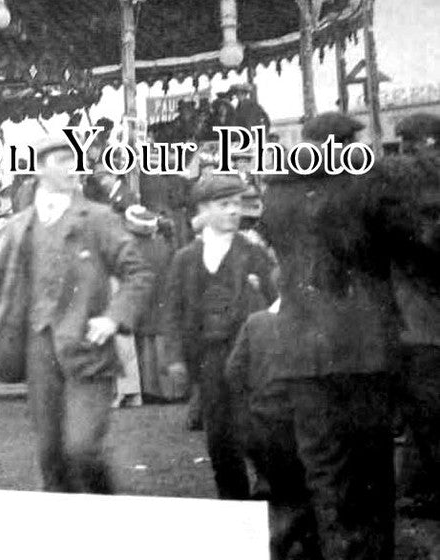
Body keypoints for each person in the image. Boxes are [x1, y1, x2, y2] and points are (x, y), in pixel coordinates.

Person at [0, 135, 153, 493]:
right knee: (51, 456)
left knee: (83, 449)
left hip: (88, 351)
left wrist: (114, 317)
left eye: (75, 159)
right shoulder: (19, 226)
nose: (73, 167)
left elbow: (139, 274)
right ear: (39, 169)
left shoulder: (98, 219)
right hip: (39, 356)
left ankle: (113, 513)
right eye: (62, 160)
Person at [260, 112, 399, 559]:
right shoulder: (365, 186)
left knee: (323, 466)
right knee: (372, 465)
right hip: (364, 348)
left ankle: (337, 551)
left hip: (302, 350)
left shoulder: (277, 193)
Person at [165, 175, 277, 500]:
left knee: (254, 427)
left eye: (237, 204)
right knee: (218, 437)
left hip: (248, 354)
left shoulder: (252, 253)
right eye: (224, 204)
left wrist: (260, 293)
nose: (233, 211)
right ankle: (233, 500)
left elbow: (276, 300)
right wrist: (174, 359)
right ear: (204, 209)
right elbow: (172, 311)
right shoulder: (186, 259)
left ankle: (269, 486)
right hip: (208, 356)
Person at [227, 299, 321, 560]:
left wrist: (253, 398)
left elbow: (233, 371)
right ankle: (292, 539)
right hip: (299, 424)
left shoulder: (255, 322)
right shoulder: (311, 322)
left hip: (262, 423)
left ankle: (286, 538)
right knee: (303, 487)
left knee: (277, 488)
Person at [383, 113, 440, 517]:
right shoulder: (422, 192)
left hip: (409, 318)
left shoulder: (391, 188)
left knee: (423, 409)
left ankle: (415, 488)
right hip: (421, 319)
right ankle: (419, 489)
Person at [122, 205, 177, 403]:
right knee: (160, 343)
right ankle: (169, 390)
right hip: (163, 299)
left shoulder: (130, 249)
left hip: (142, 300)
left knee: (145, 344)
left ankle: (149, 388)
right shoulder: (164, 246)